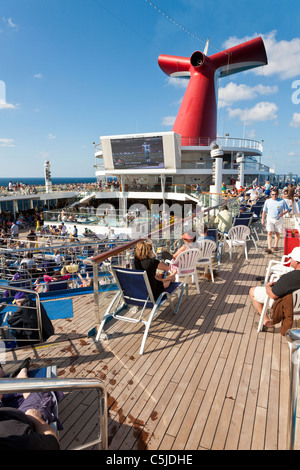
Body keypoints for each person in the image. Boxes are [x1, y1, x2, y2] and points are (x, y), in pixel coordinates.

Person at [0, 359, 60, 450]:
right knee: (40, 392)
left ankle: (15, 380)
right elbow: (53, 444)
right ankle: (21, 379)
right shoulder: (15, 441)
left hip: (8, 415)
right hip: (21, 417)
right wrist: (36, 418)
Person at [249, 247, 300, 329]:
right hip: (298, 305)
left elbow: (272, 295)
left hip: (288, 306)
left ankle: (267, 322)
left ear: (297, 261)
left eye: (291, 258)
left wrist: (267, 286)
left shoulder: (288, 278)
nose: (290, 260)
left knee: (252, 291)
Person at [261, 188, 289, 254]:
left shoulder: (282, 201)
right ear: (271, 194)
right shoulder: (267, 201)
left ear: (278, 194)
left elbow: (287, 209)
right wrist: (263, 220)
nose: (274, 196)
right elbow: (264, 211)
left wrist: (283, 213)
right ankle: (269, 247)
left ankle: (276, 245)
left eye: (276, 194)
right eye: (273, 194)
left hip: (279, 219)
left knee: (277, 233)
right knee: (269, 232)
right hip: (270, 218)